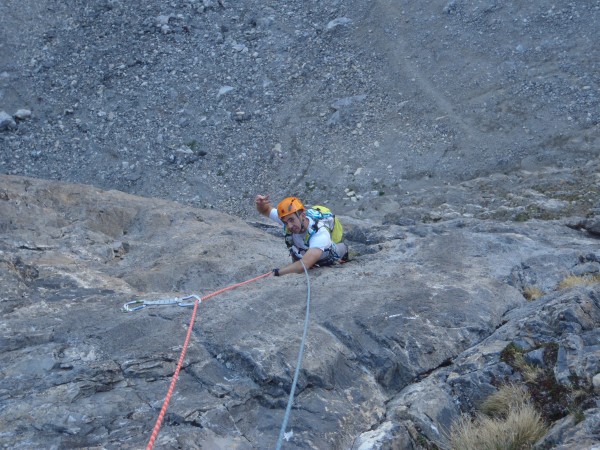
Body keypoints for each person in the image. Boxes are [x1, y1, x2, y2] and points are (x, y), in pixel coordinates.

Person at [255, 194, 348, 276]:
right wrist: (261, 204)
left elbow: (304, 264)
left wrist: (278, 272)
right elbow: (266, 210)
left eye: (291, 220)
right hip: (303, 254)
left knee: (341, 249)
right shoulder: (289, 216)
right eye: (285, 222)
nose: (289, 226)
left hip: (326, 256)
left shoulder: (320, 233)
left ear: (303, 215)